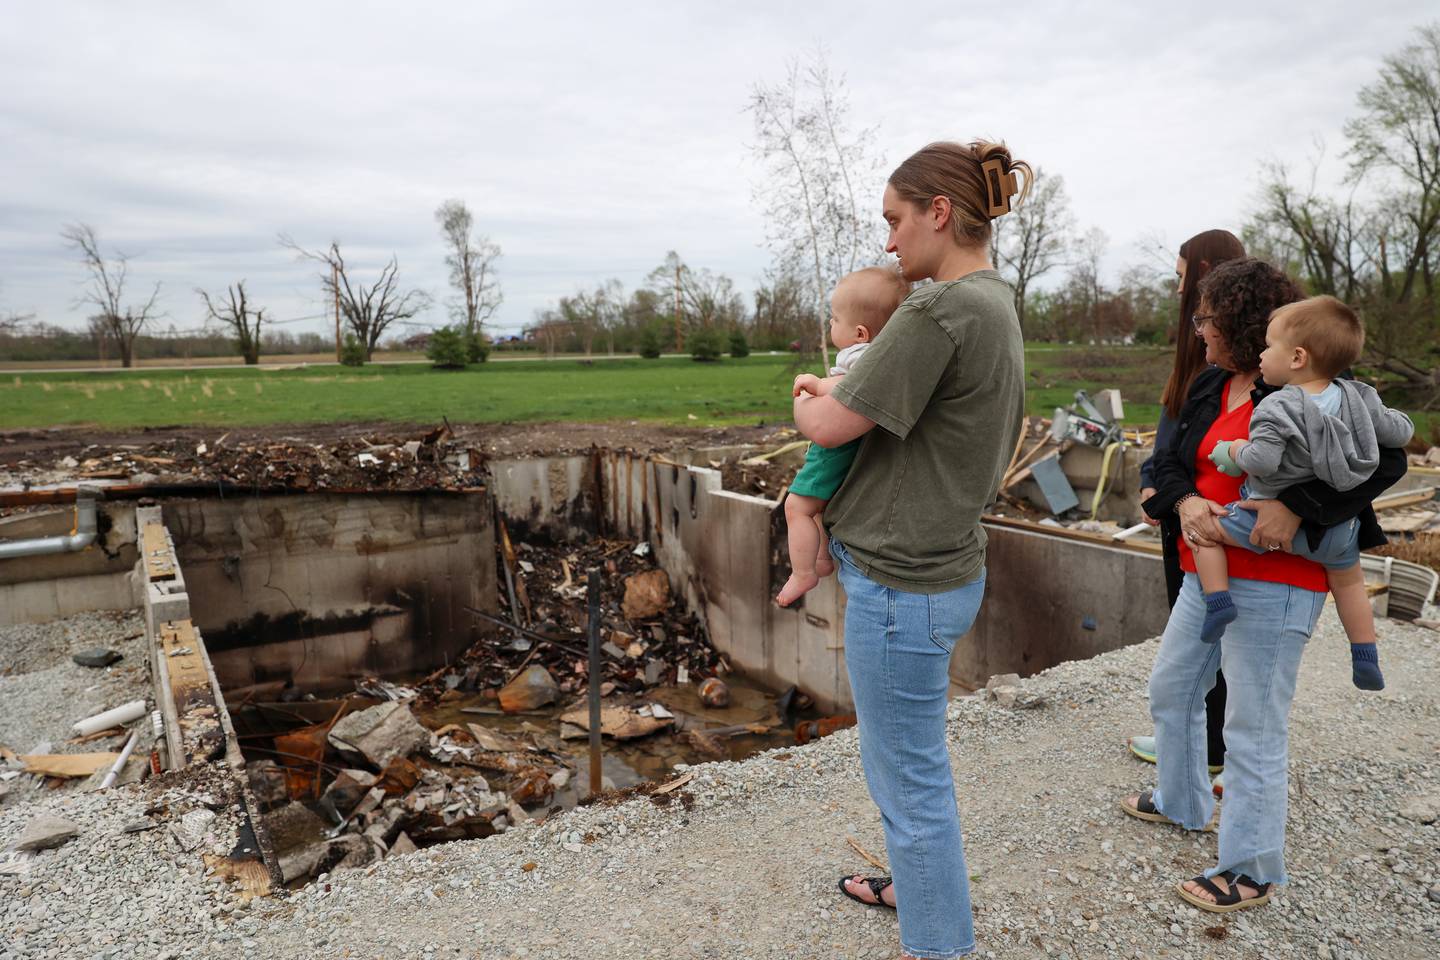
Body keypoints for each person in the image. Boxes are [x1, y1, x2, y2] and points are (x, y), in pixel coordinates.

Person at [796, 139, 1029, 960]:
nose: (889, 242)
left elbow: (829, 424)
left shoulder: (937, 310)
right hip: (944, 568)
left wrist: (803, 396)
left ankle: (939, 943)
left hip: (903, 587)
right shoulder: (994, 299)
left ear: (939, 213)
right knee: (910, 766)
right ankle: (913, 886)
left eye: (896, 220)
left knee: (908, 781)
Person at [1121, 257, 1406, 913]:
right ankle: (1183, 802)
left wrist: (1299, 506)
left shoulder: (1321, 387)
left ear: (1247, 323)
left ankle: (1249, 868)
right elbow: (1166, 458)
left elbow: (1387, 459)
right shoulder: (1210, 384)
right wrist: (1184, 501)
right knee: (1172, 687)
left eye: (1208, 320)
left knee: (1253, 725)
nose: (1199, 332)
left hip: (1279, 580)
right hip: (1206, 567)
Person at [1196, 295, 1412, 691]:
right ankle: (1364, 654)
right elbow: (1399, 434)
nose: (1261, 354)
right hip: (1337, 529)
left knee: (1203, 531)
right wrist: (1392, 416)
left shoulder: (1278, 407)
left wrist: (1233, 450)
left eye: (1268, 345)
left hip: (1263, 521)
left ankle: (1217, 602)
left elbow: (1262, 460)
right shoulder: (1360, 396)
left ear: (1296, 358)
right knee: (1348, 583)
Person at [1129, 229, 1245, 785]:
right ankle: (1199, 742)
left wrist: (1166, 487)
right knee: (1193, 630)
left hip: (1202, 517)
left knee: (1203, 637)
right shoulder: (1197, 358)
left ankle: (1208, 746)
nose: (1178, 295)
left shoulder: (1225, 365)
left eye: (1181, 280)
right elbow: (1169, 434)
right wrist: (1154, 479)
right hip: (1179, 504)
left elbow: (1184, 442)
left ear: (1203, 273)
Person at [777, 266, 911, 607]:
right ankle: (821, 559)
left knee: (796, 507)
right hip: (857, 450)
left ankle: (802, 572)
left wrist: (817, 386)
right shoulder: (887, 352)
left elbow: (854, 388)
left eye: (834, 319)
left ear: (861, 333)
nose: (830, 325)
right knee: (819, 508)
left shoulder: (863, 356)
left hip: (833, 451)